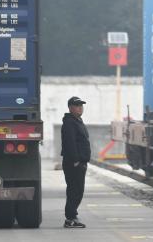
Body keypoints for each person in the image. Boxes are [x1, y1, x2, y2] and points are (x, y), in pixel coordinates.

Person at [61, 96, 91, 228]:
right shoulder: (69, 123)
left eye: (81, 105)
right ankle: (70, 218)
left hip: (79, 162)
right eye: (77, 105)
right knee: (74, 190)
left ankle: (72, 217)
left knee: (77, 190)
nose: (80, 108)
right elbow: (70, 143)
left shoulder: (77, 121)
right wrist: (76, 160)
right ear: (70, 108)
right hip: (74, 163)